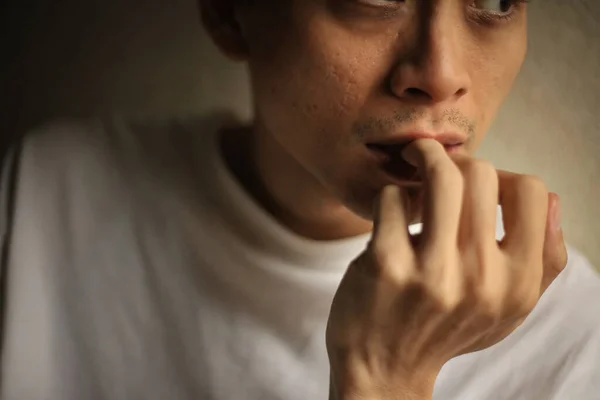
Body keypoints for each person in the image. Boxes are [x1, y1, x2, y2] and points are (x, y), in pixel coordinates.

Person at [1, 0, 599, 399]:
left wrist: (386, 379)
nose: (439, 74)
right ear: (230, 13)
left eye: (494, 0)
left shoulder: (574, 333)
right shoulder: (46, 197)